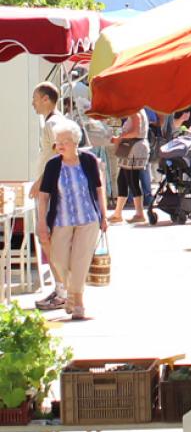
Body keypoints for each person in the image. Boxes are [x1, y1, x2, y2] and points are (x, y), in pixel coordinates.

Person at [37, 120, 107, 320]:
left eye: (64, 141)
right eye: (58, 141)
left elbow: (98, 189)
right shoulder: (53, 165)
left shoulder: (88, 161)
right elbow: (43, 197)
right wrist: (42, 222)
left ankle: (78, 303)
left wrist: (103, 215)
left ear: (75, 142)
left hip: (88, 218)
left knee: (80, 261)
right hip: (62, 220)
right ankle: (71, 295)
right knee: (59, 259)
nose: (60, 145)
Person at [30, 82, 75, 311]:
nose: (33, 103)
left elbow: (58, 152)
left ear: (46, 99)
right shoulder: (56, 121)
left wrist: (39, 182)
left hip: (51, 188)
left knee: (47, 236)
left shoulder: (54, 123)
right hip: (52, 186)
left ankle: (62, 290)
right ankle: (62, 288)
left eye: (36, 98)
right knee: (49, 237)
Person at [108, 109, 150, 224]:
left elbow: (136, 132)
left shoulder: (135, 111)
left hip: (134, 147)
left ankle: (139, 213)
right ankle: (118, 213)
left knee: (132, 180)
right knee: (122, 180)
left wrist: (120, 137)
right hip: (132, 146)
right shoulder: (137, 110)